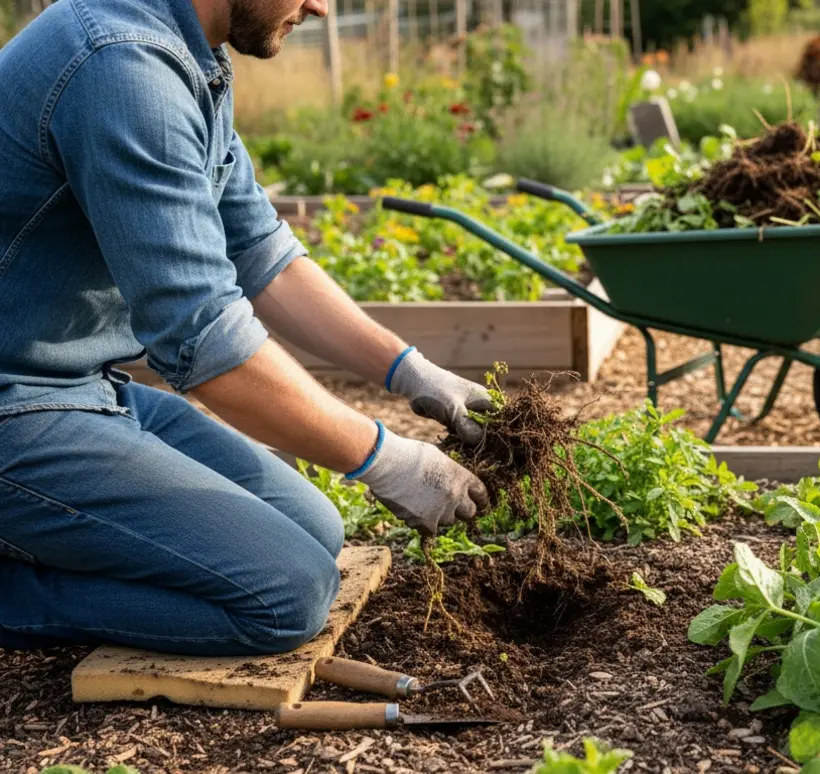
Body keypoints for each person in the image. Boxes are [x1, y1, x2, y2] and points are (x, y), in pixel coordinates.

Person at [0, 0, 492, 656]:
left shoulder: (187, 54)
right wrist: (386, 458)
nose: (321, 7)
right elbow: (208, 345)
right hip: (17, 412)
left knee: (316, 528)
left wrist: (411, 370)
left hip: (77, 386)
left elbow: (261, 252)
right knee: (285, 594)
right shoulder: (121, 68)